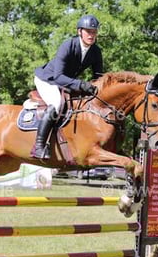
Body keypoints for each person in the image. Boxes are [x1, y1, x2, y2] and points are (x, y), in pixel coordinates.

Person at [31, 14, 104, 160]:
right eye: (88, 31)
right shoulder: (68, 45)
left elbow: (98, 77)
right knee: (56, 104)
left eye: (94, 32)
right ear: (79, 31)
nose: (91, 35)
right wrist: (81, 84)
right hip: (48, 79)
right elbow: (58, 76)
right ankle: (39, 146)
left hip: (66, 82)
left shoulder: (96, 51)